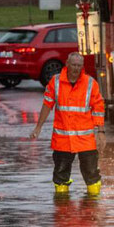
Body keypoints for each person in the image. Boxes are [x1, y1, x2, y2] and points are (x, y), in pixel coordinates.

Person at [29, 52, 105, 195]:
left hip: (85, 140)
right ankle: (62, 209)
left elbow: (98, 108)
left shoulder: (90, 83)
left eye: (79, 65)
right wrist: (38, 127)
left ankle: (92, 209)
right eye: (74, 65)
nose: (76, 68)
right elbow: (47, 105)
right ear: (67, 64)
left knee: (92, 176)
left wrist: (101, 132)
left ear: (82, 66)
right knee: (60, 177)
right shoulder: (55, 82)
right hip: (62, 140)